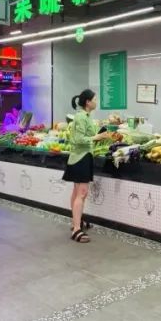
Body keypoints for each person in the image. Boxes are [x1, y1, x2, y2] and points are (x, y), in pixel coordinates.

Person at [63, 89, 111, 243]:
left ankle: (76, 222)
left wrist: (100, 134)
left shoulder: (86, 116)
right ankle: (76, 230)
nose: (97, 102)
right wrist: (97, 137)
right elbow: (78, 139)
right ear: (88, 102)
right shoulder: (81, 117)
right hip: (81, 158)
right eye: (95, 99)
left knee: (77, 192)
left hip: (82, 156)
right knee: (82, 193)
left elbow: (88, 136)